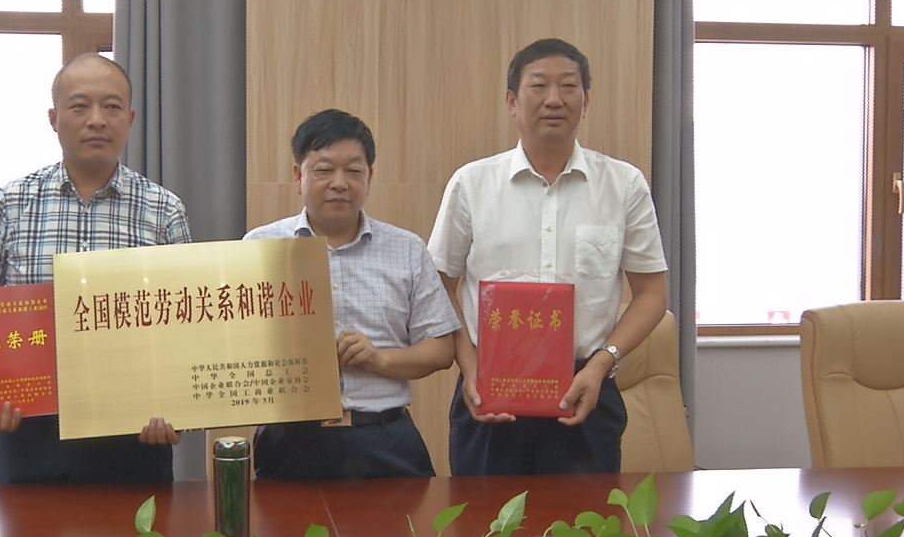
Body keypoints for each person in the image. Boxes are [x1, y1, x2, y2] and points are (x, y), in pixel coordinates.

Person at [427, 38, 668, 476]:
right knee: (485, 519)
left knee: (587, 520)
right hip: (491, 391)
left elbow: (652, 294)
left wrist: (602, 363)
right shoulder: (472, 184)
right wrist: (471, 367)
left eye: (568, 86)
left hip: (585, 388)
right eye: (538, 86)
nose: (554, 99)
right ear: (512, 101)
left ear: (586, 101)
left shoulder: (623, 184)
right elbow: (438, 287)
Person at [0, 53, 187, 483]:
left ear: (130, 119)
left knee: (142, 531)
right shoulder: (11, 202)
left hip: (134, 433)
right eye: (80, 106)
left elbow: (184, 325)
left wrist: (180, 408)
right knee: (27, 532)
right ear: (54, 118)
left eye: (112, 106)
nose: (97, 120)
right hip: (32, 432)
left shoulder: (164, 209)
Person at [244, 109, 460, 479]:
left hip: (384, 436)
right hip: (289, 440)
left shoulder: (407, 249)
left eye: (354, 171)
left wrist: (379, 359)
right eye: (324, 170)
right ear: (298, 176)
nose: (340, 183)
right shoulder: (260, 247)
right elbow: (237, 345)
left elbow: (441, 349)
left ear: (369, 177)